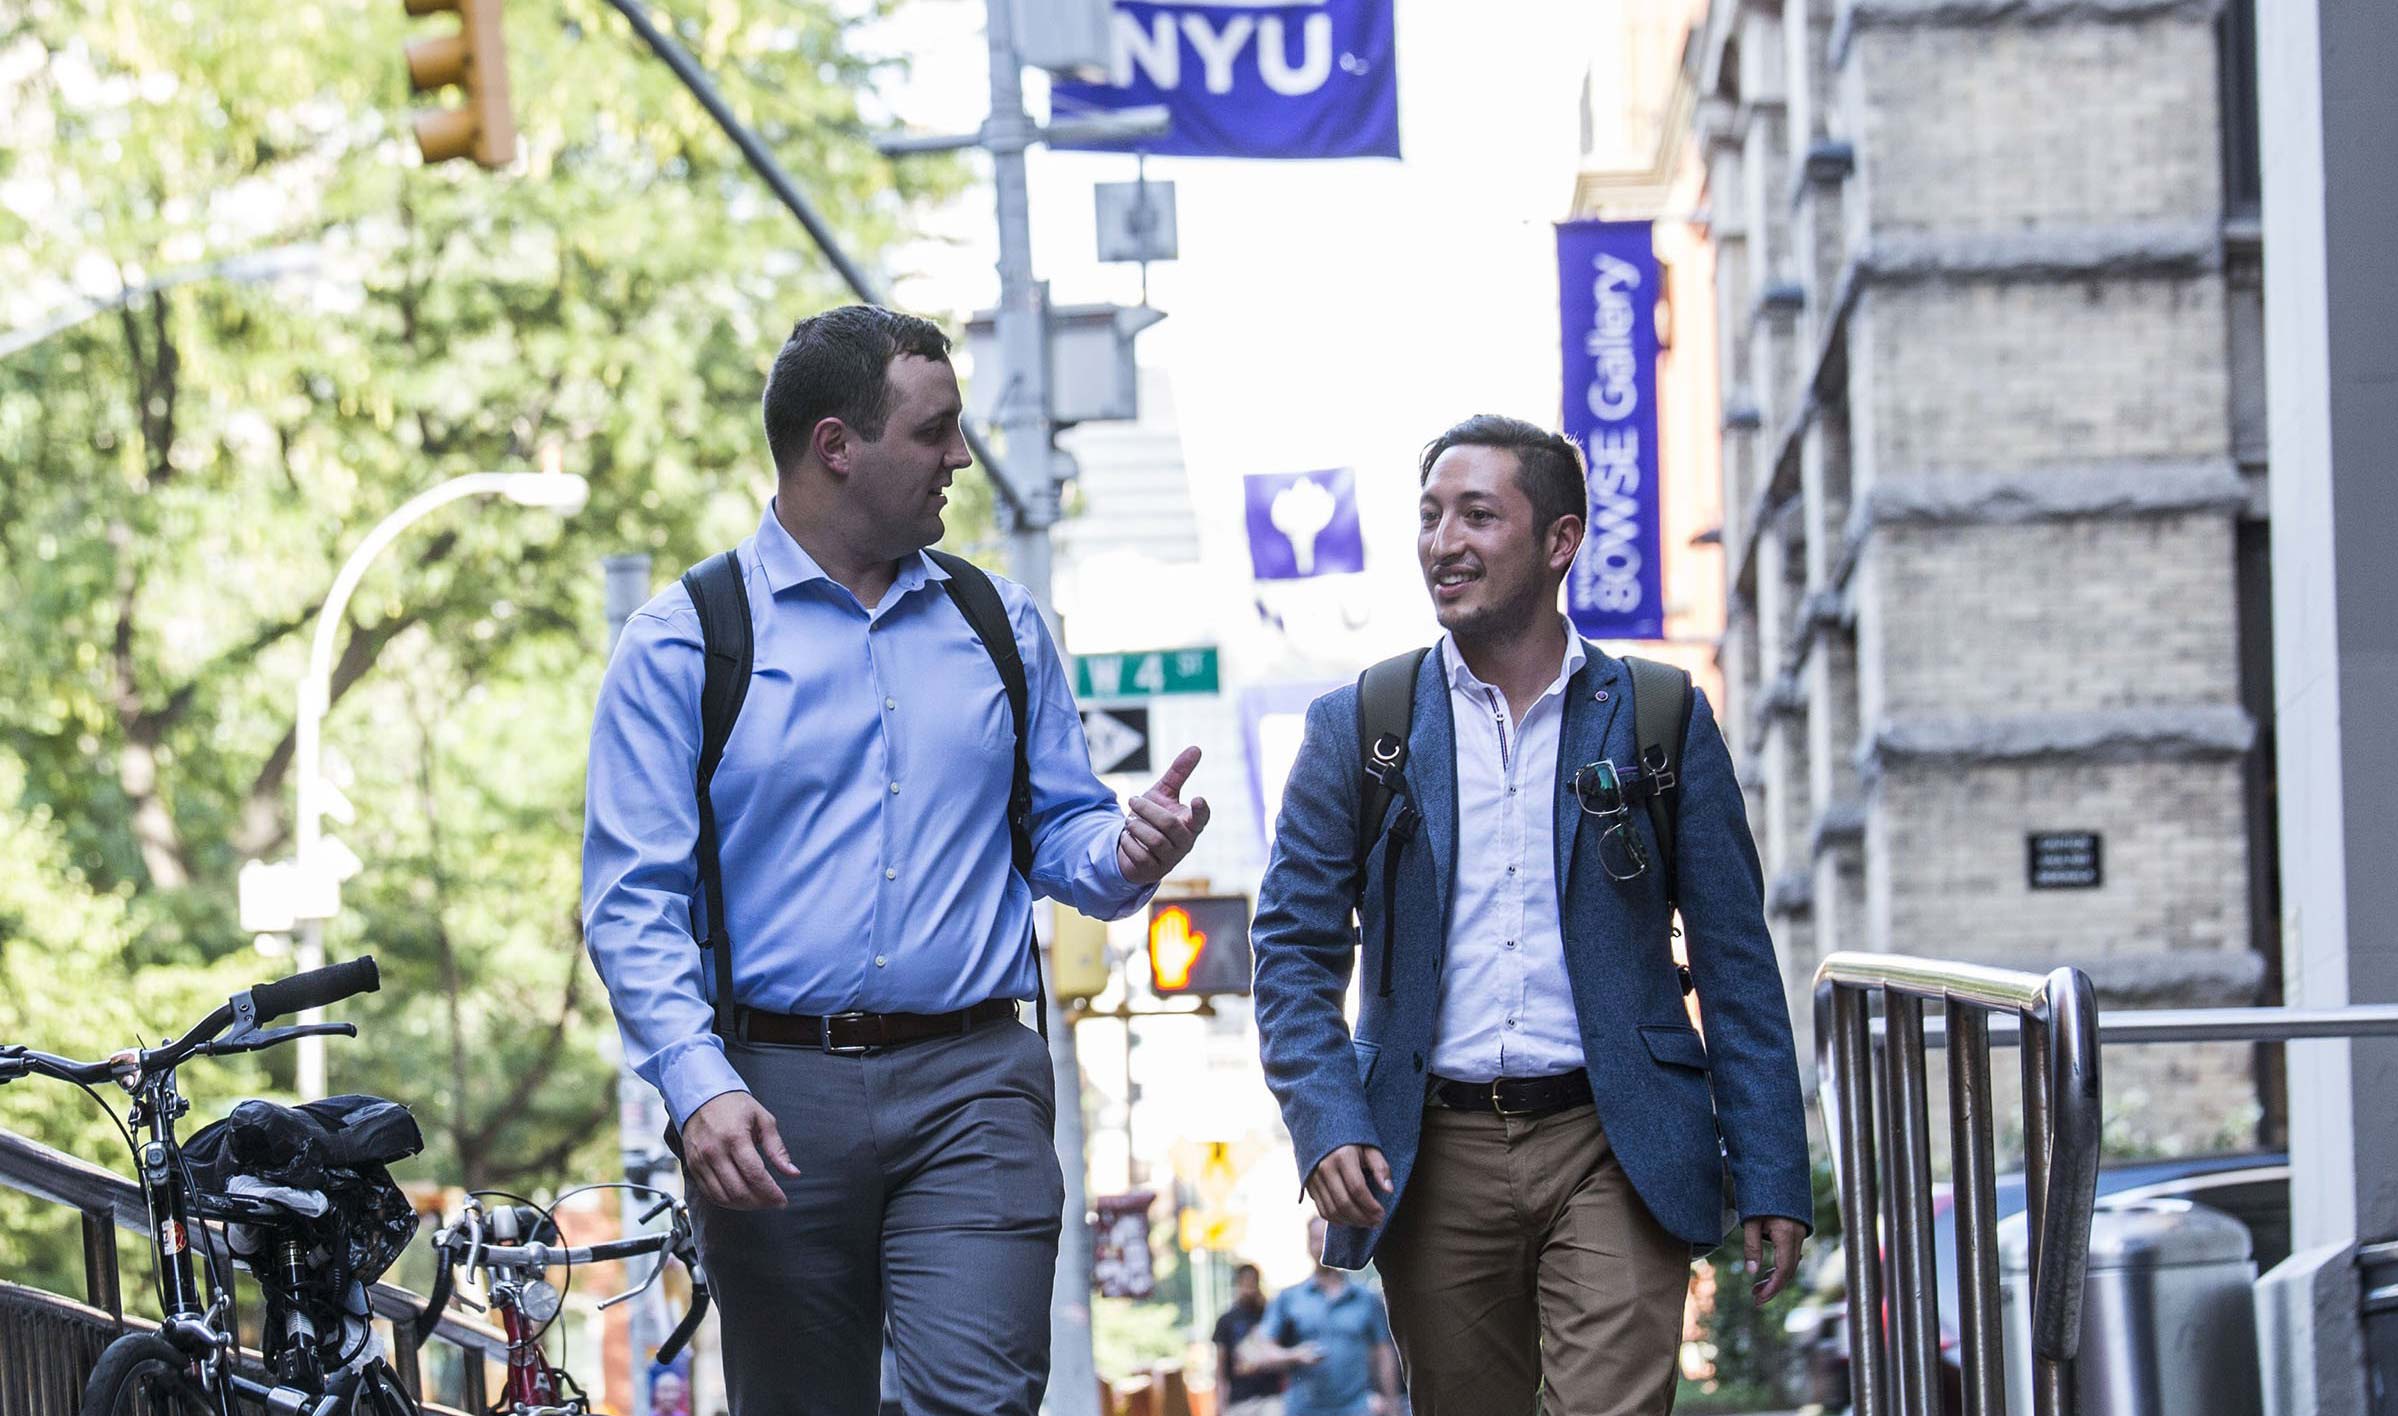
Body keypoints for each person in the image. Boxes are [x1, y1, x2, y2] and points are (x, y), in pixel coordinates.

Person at [583, 304, 1212, 1415]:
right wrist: (694, 1086)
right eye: (935, 432)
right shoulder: (686, 639)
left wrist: (1128, 848)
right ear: (837, 445)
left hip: (974, 1085)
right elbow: (632, 902)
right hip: (768, 1101)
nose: (961, 457)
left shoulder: (996, 622)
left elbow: (1061, 836)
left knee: (976, 1397)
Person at [1250, 415, 1812, 1414]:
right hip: (1428, 1150)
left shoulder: (1658, 715)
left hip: (1616, 1135)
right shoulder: (1360, 726)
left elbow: (1733, 957)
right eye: (1429, 516)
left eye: (1477, 515)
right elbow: (1290, 947)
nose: (1443, 542)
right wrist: (1325, 1119)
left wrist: (1770, 1167)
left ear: (1559, 541)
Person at [1239, 1220, 1399, 1416]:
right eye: (1316, 1239)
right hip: (1305, 1409)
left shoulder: (1365, 1300)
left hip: (1356, 1408)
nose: (1323, 1246)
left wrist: (1391, 1404)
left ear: (1341, 1242)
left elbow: (1384, 1353)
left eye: (1328, 1238)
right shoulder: (1288, 1299)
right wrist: (1294, 1355)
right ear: (1308, 1245)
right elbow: (1262, 1351)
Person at [1211, 1262, 1288, 1416]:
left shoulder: (1270, 1316)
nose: (1249, 1286)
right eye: (1244, 1281)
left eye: (1252, 1281)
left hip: (1270, 1396)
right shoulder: (1226, 1320)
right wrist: (1220, 1403)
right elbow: (1221, 1367)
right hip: (1240, 1399)